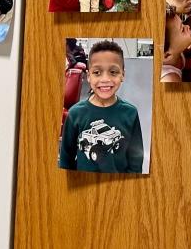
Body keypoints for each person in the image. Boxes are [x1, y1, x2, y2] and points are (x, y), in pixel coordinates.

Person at [58, 40, 145, 174]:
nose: (105, 79)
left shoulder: (130, 113)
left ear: (123, 74)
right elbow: (66, 160)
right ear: (88, 76)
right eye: (97, 72)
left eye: (113, 72)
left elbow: (135, 160)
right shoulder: (75, 114)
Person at [161, 4, 191, 83]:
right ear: (167, 55)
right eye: (182, 30)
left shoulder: (172, 48)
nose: (188, 26)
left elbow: (181, 62)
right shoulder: (170, 79)